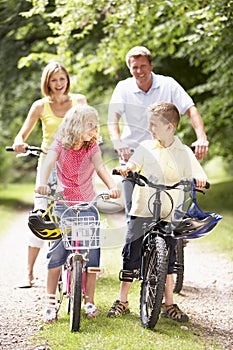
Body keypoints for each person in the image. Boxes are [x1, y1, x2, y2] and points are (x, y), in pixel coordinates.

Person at [107, 102, 207, 321]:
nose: (150, 129)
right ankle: (122, 300)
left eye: (154, 125)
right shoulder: (146, 147)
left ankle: (168, 303)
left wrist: (200, 180)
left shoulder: (183, 152)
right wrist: (127, 169)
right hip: (143, 207)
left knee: (169, 255)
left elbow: (197, 172)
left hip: (169, 210)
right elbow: (133, 164)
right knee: (131, 252)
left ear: (169, 127)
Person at [36, 104, 120, 323]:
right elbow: (47, 164)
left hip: (87, 204)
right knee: (57, 252)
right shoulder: (60, 145)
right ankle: (50, 301)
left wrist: (112, 186)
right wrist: (42, 183)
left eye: (95, 125)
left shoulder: (91, 147)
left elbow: (100, 167)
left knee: (92, 251)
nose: (94, 129)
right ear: (77, 125)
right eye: (90, 125)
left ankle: (89, 299)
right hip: (64, 204)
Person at [12, 61, 87, 288]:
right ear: (47, 82)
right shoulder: (40, 106)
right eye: (53, 80)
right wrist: (19, 143)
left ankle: (80, 265)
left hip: (75, 163)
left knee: (78, 212)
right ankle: (29, 272)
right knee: (40, 214)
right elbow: (21, 135)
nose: (58, 84)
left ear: (67, 80)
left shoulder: (79, 101)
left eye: (62, 79)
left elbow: (91, 126)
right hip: (48, 164)